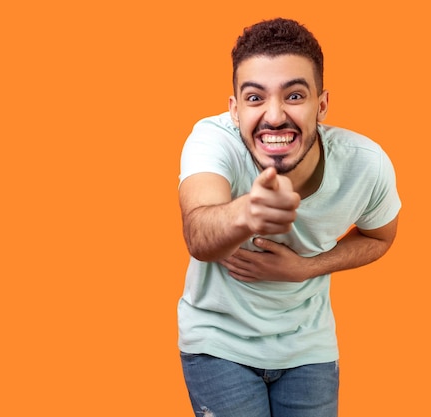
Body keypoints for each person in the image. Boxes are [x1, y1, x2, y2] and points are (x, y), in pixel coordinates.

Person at [178, 17, 401, 417]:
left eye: (295, 96)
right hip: (218, 342)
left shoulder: (366, 164)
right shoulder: (212, 141)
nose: (275, 116)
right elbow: (198, 232)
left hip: (308, 347)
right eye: (255, 98)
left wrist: (306, 268)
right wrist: (248, 211)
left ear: (322, 104)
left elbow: (381, 237)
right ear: (234, 109)